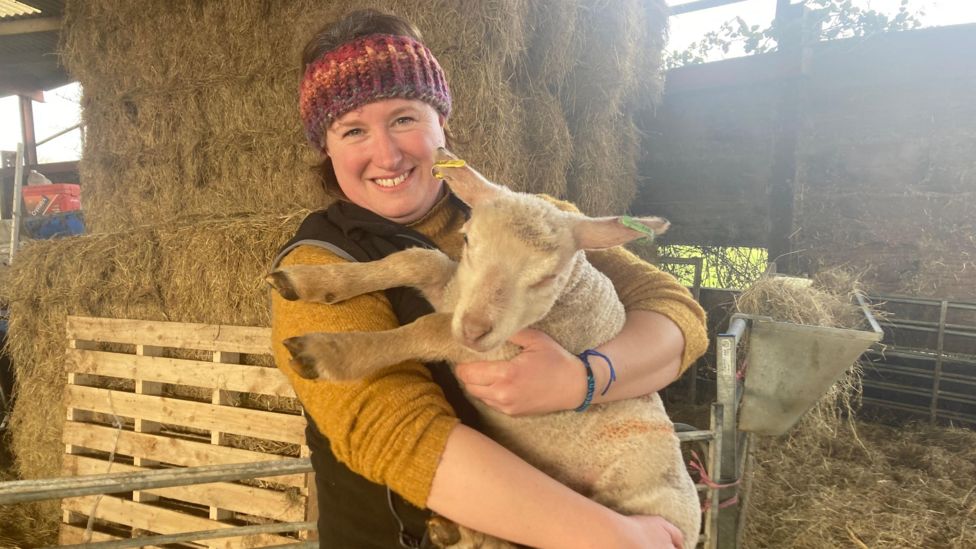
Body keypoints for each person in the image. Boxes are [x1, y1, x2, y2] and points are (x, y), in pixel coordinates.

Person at [270, 9, 708, 549]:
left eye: (405, 118)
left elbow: (675, 311)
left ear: (441, 124)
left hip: (623, 479)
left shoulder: (539, 218)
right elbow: (392, 432)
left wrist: (584, 380)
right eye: (353, 129)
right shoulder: (321, 259)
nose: (386, 153)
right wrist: (616, 538)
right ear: (326, 147)